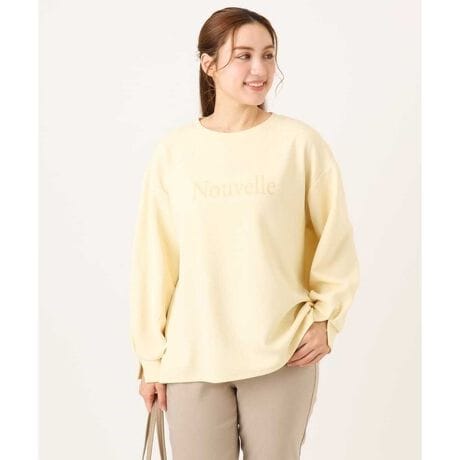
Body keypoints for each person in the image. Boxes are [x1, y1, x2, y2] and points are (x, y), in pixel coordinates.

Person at [129, 7, 360, 460]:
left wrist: (326, 318)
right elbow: (155, 260)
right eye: (244, 55)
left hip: (282, 351)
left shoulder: (299, 144)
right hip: (192, 357)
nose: (260, 69)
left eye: (268, 55)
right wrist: (151, 360)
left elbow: (335, 239)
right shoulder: (174, 152)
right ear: (208, 64)